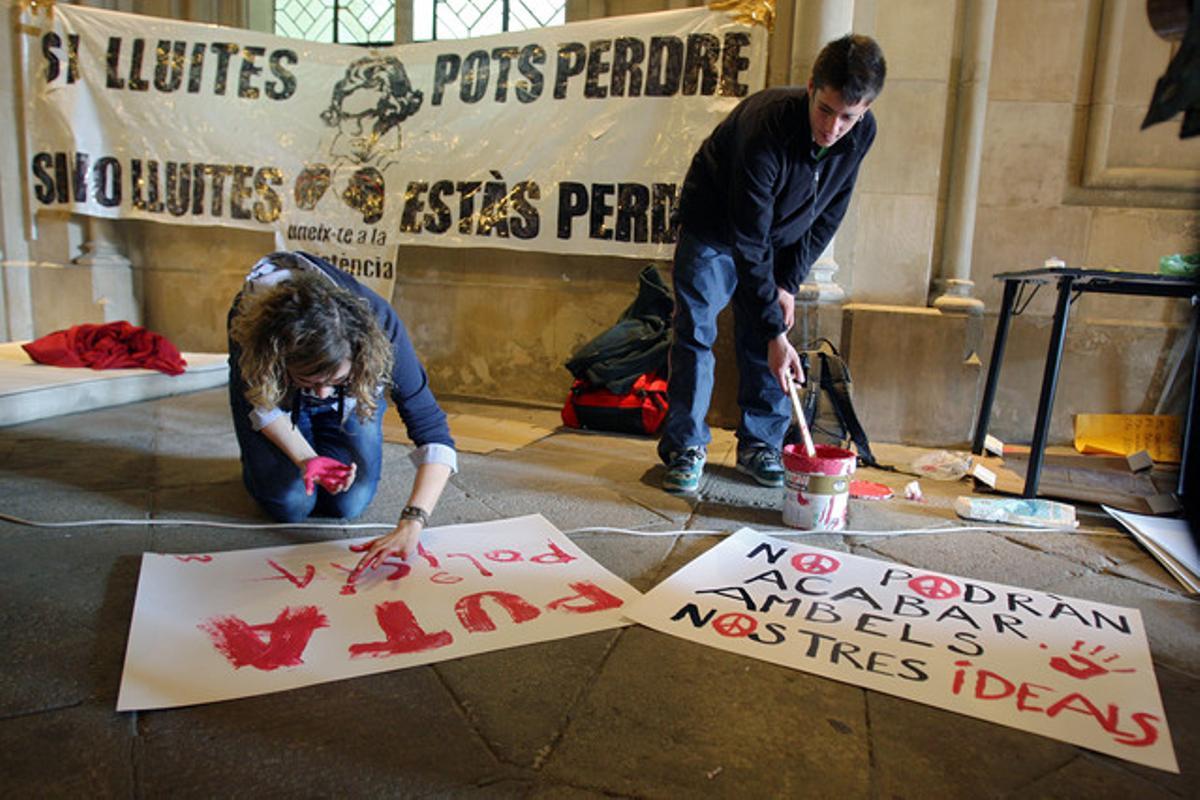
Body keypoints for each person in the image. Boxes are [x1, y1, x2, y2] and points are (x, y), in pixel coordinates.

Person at [657, 34, 887, 495]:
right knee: (697, 332)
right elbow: (749, 235)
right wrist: (775, 331)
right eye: (825, 110)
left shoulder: (861, 131)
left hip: (780, 238)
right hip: (715, 228)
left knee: (766, 329)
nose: (833, 127)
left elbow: (828, 214)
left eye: (848, 116)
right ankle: (685, 446)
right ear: (810, 88)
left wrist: (788, 283)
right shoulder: (767, 125)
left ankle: (760, 443)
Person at [227, 251, 456, 581]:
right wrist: (306, 458)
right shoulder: (252, 325)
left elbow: (433, 431)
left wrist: (413, 521)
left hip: (353, 395)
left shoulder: (381, 326)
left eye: (334, 380)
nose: (321, 394)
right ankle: (259, 462)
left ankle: (329, 389)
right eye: (310, 381)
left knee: (350, 502)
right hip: (281, 401)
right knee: (290, 504)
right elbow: (261, 405)